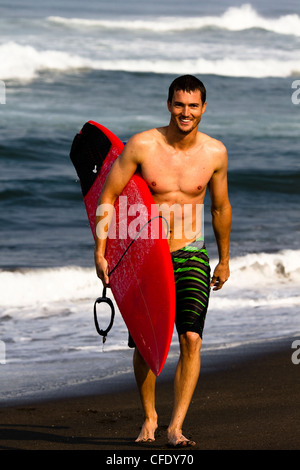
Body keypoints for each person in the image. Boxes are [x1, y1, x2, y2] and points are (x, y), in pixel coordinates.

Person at [94, 75, 232, 447]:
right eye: (178, 104)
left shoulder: (215, 153)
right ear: (168, 104)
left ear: (203, 108)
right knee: (147, 343)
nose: (185, 112)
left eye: (193, 106)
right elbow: (108, 194)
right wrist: (100, 250)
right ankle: (150, 417)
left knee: (191, 338)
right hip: (148, 259)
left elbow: (220, 207)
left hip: (191, 253)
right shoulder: (142, 145)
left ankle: (175, 427)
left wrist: (224, 259)